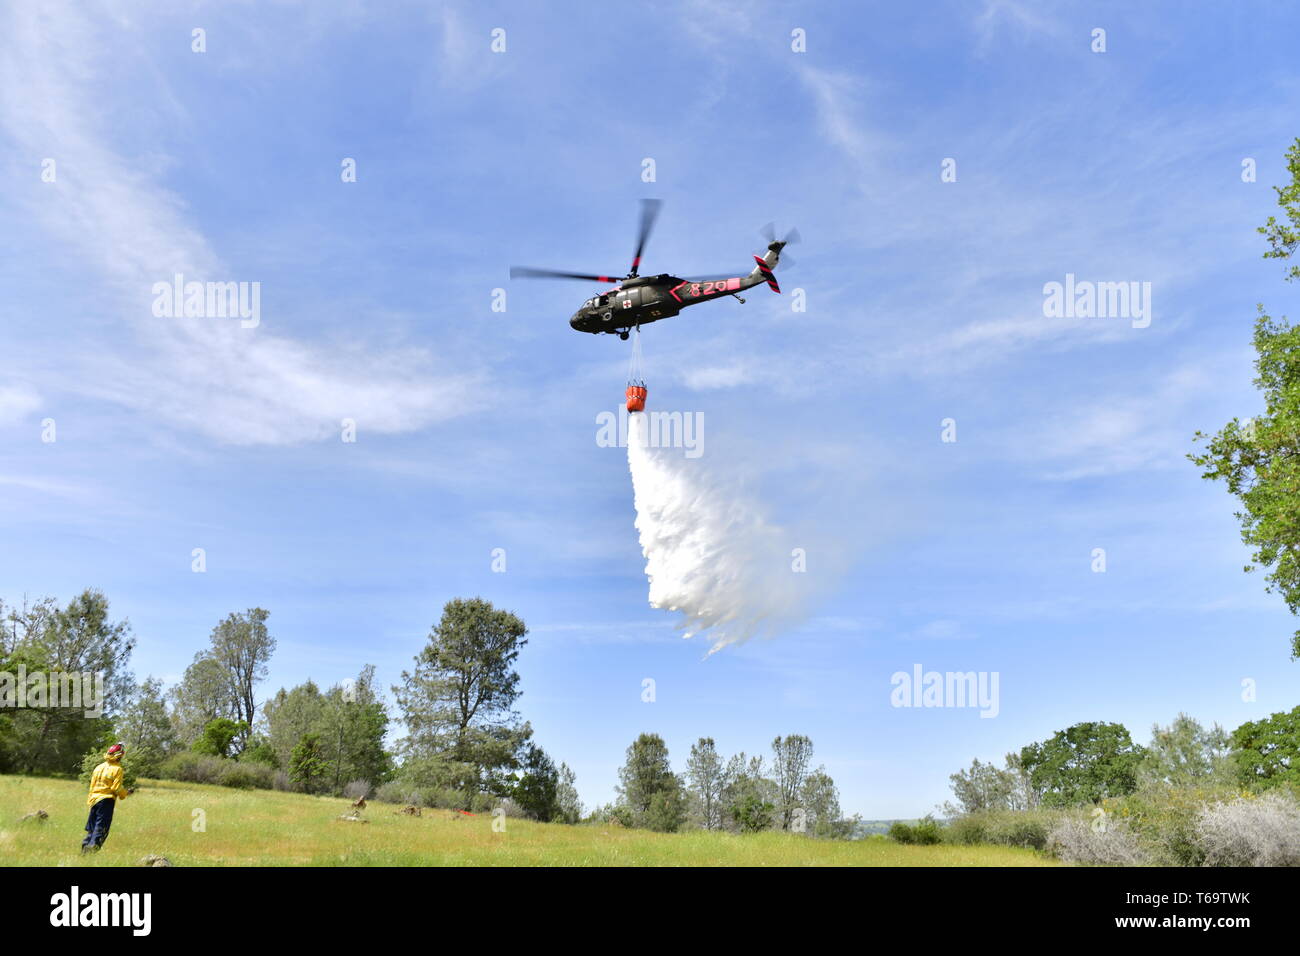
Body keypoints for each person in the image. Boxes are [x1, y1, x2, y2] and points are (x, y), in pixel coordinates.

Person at [82, 742, 132, 853]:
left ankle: (84, 850)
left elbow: (92, 785)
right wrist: (125, 794)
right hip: (106, 801)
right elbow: (116, 788)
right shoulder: (118, 769)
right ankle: (91, 852)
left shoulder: (98, 767)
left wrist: (90, 799)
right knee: (101, 828)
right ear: (120, 756)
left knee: (92, 828)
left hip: (94, 799)